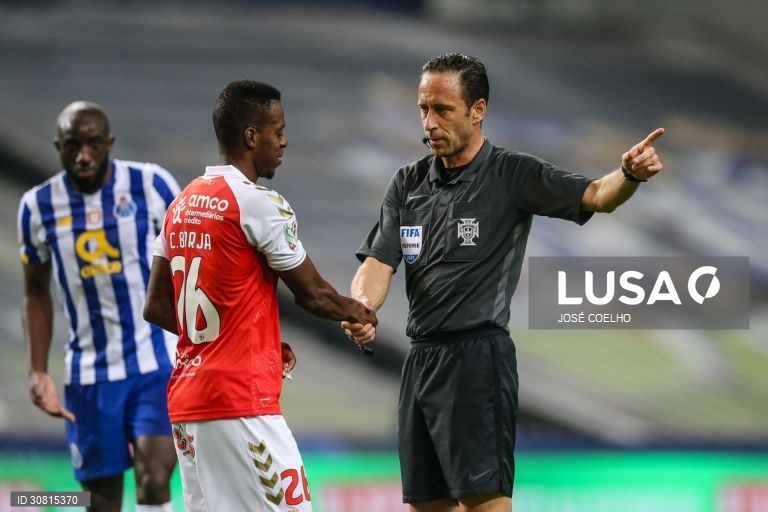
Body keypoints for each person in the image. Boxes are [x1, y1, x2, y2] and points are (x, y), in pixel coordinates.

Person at [342, 53, 664, 512]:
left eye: (443, 110)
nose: (429, 123)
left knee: (484, 505)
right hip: (421, 361)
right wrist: (362, 308)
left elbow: (595, 195)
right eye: (423, 109)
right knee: (424, 506)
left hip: (478, 360)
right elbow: (379, 260)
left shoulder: (512, 175)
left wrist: (629, 174)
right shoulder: (408, 183)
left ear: (478, 109)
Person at [143, 79, 377, 512]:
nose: (285, 141)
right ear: (252, 136)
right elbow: (314, 295)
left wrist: (249, 337)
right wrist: (361, 313)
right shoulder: (258, 203)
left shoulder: (182, 203)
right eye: (278, 129)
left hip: (188, 403)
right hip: (240, 403)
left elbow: (156, 306)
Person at [17, 101, 181, 512]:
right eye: (72, 145)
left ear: (109, 143)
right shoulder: (37, 207)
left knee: (154, 475)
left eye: (92, 144)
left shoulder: (152, 186)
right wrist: (38, 370)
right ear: (58, 147)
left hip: (155, 360)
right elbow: (35, 293)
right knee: (101, 500)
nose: (83, 155)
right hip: (89, 373)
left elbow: (190, 260)